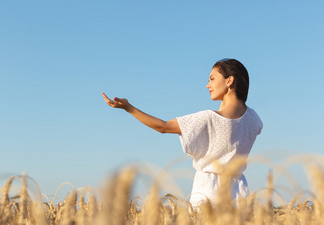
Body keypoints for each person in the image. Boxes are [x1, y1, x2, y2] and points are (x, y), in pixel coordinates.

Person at [101, 59, 263, 207]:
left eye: (212, 79)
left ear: (229, 80)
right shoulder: (255, 119)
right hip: (240, 192)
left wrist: (128, 108)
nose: (207, 85)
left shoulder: (208, 118)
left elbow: (162, 127)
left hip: (209, 191)